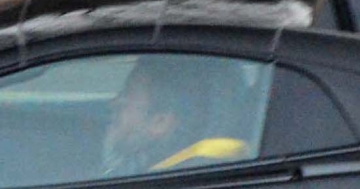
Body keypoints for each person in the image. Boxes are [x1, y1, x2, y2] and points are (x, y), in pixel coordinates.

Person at [99, 54, 258, 178]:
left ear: (160, 122)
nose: (114, 103)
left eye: (127, 96)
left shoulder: (163, 188)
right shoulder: (183, 173)